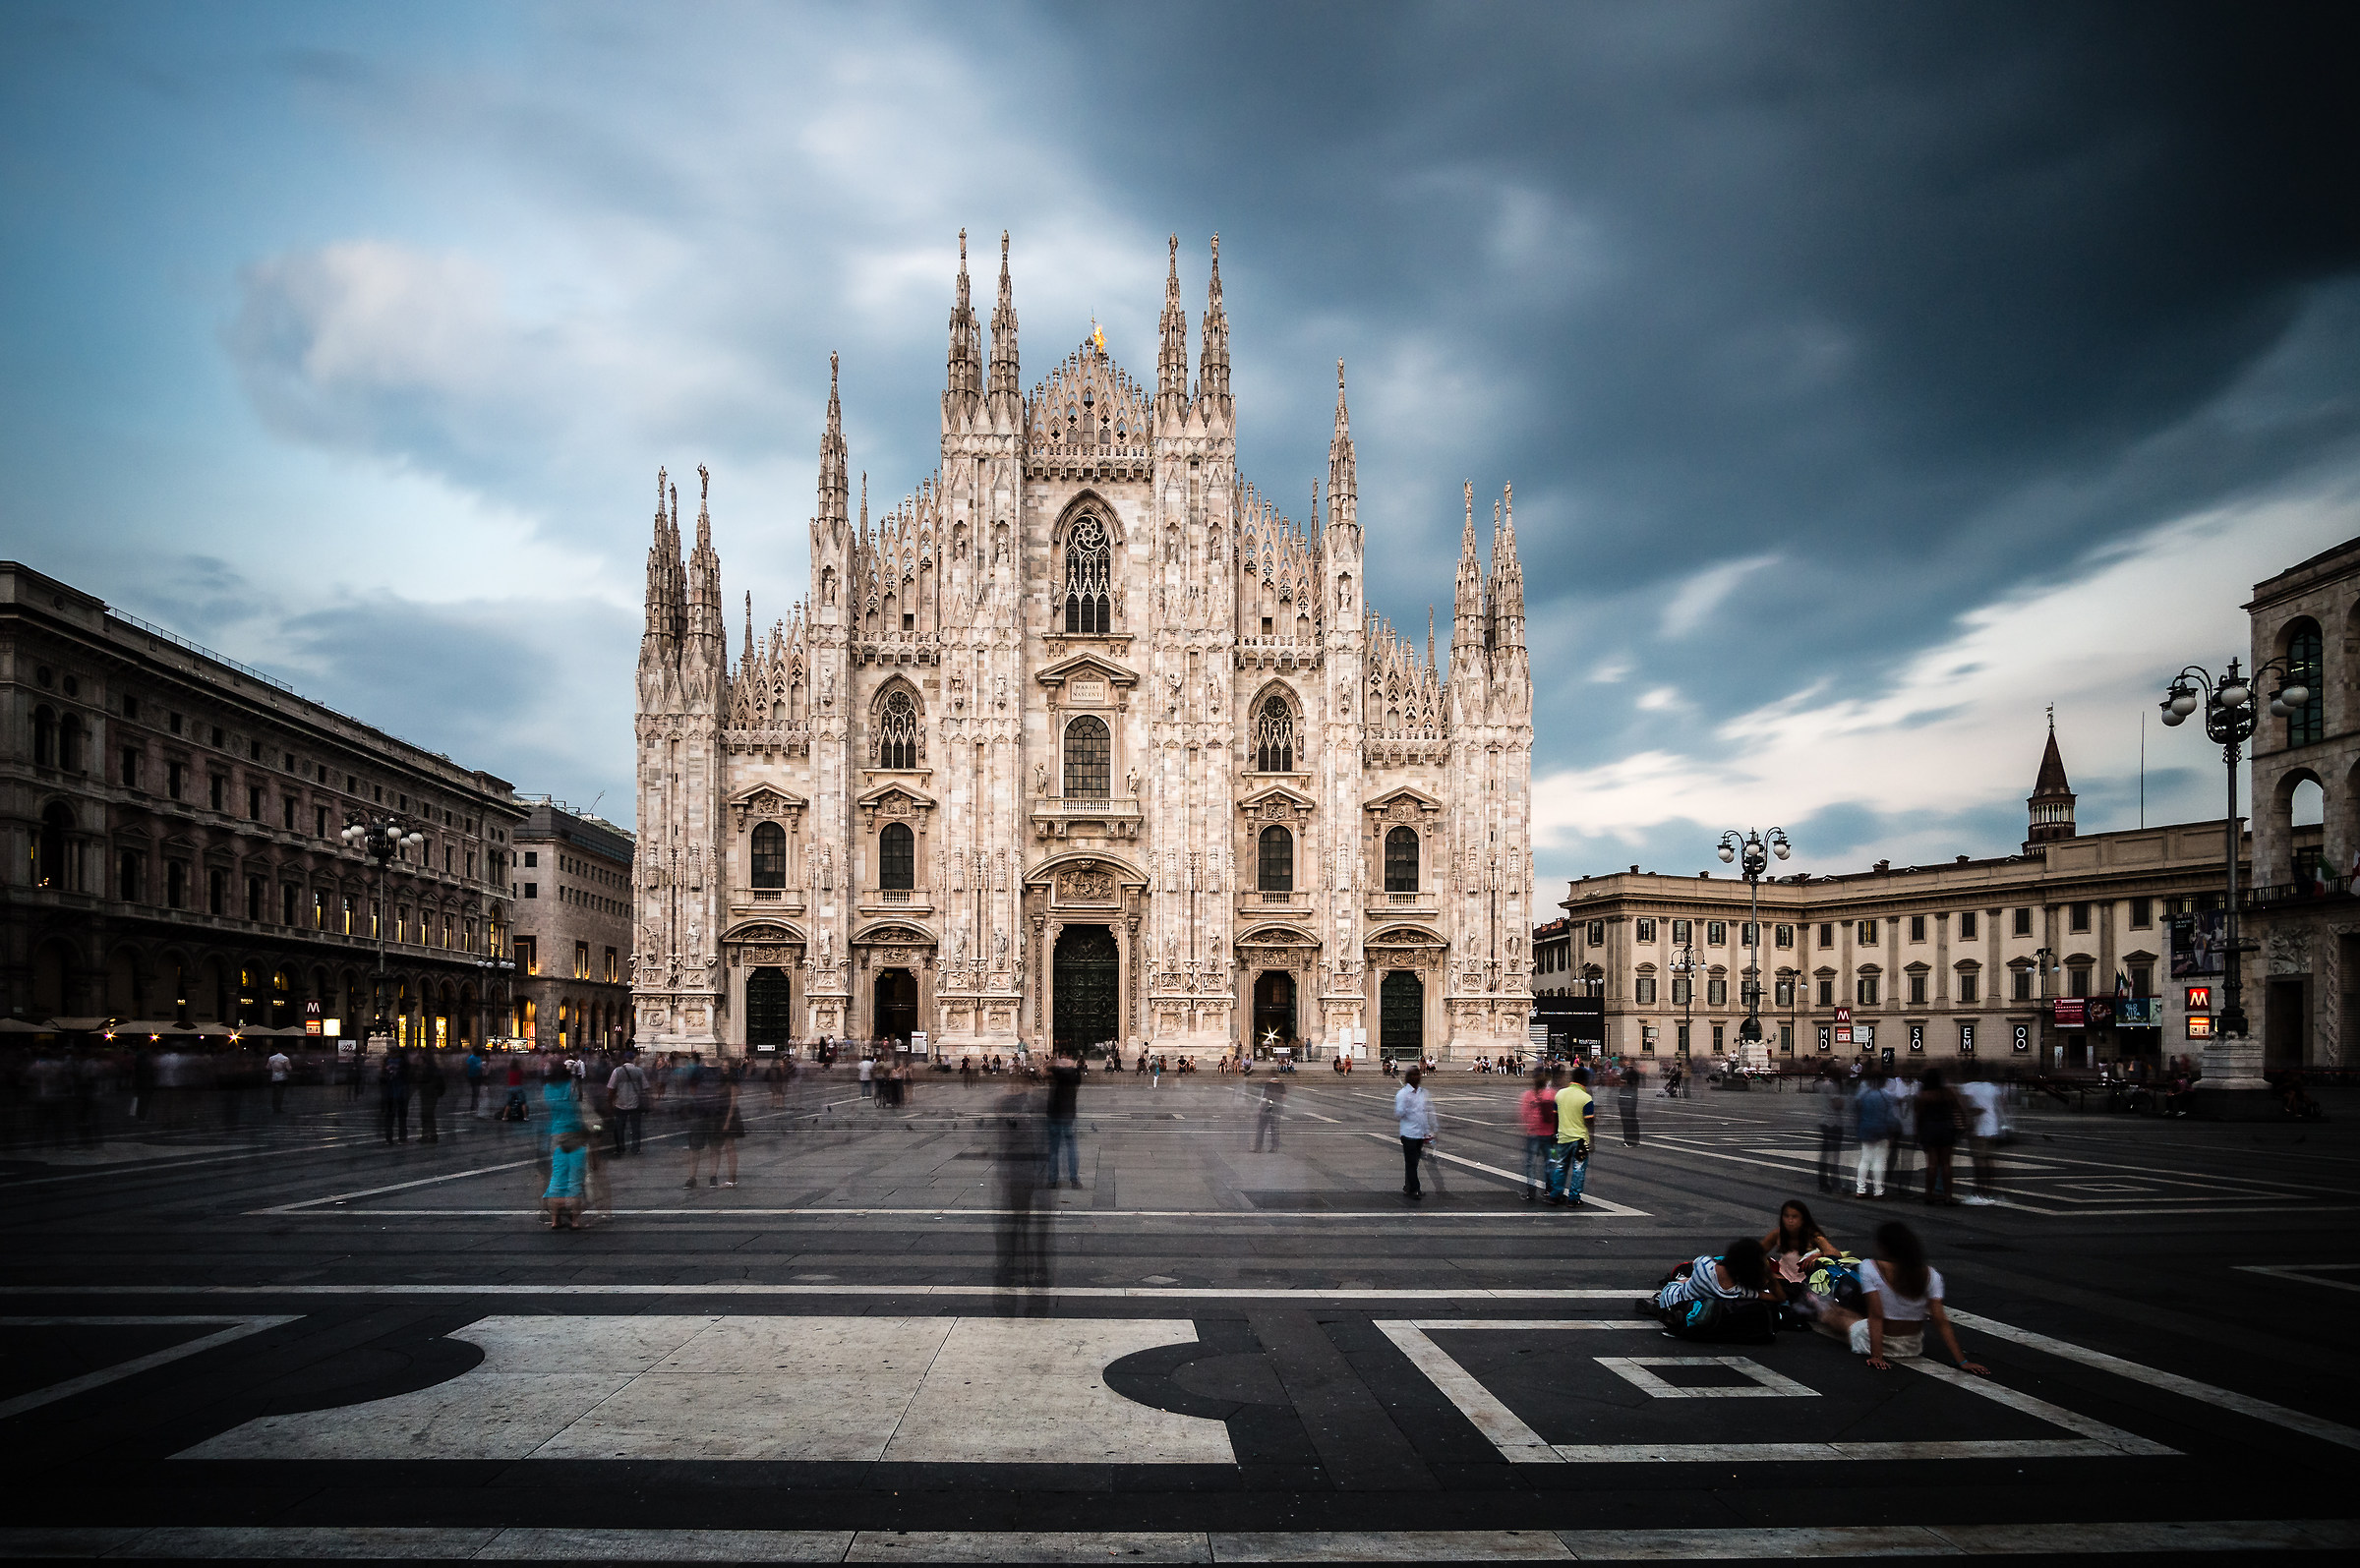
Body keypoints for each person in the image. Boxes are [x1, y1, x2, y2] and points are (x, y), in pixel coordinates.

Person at [1811, 1221, 1987, 1374]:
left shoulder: (1871, 1268)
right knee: (1851, 1316)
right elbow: (1940, 1320)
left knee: (1835, 1315)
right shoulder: (1930, 1274)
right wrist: (1962, 1361)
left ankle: (1816, 1305)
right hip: (1912, 1345)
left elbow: (1876, 1315)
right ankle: (1823, 1306)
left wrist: (1877, 1356)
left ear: (1884, 1247)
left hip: (1880, 1342)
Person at [1650, 1237, 1771, 1313]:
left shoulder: (1704, 1264)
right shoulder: (1743, 1291)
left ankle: (1676, 1282)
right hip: (1695, 1305)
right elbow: (1778, 1297)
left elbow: (1695, 1264)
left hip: (1671, 1296)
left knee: (1689, 1279)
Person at [1761, 1198, 1839, 1306]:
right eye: (1786, 1216)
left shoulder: (1813, 1235)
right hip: (1783, 1275)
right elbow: (1755, 1251)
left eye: (1794, 1217)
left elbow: (1835, 1254)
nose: (1790, 1221)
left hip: (1806, 1281)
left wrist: (1818, 1255)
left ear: (1803, 1219)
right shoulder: (1778, 1234)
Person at [1550, 1066, 1597, 1206]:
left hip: (1562, 1137)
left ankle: (1555, 1195)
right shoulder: (1586, 1097)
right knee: (1578, 1169)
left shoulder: (1559, 1094)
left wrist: (1554, 1134)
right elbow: (1589, 1121)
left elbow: (1555, 1117)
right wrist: (1592, 1141)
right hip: (1580, 1139)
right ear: (1584, 1080)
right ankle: (1574, 1197)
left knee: (1559, 1166)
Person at [1956, 1068, 2004, 1204]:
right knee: (1989, 1161)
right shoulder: (1991, 1087)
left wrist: (1967, 1121)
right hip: (1992, 1127)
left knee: (1979, 1163)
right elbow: (2001, 1105)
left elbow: (1966, 1108)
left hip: (1979, 1129)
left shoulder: (1968, 1087)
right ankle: (1988, 1190)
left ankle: (1979, 1192)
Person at [1915, 1068, 1962, 1205]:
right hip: (1946, 1128)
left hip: (1929, 1129)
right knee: (1946, 1164)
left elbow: (1918, 1116)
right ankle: (1948, 1196)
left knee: (1932, 1164)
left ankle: (1929, 1195)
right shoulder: (1948, 1093)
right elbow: (1957, 1109)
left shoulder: (1923, 1095)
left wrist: (1917, 1133)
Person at [1394, 1065, 1438, 1199]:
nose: (1416, 1077)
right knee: (1411, 1163)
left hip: (1419, 1133)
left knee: (1413, 1163)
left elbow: (1425, 1113)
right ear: (1407, 1078)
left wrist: (1429, 1130)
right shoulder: (1402, 1094)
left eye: (1417, 1074)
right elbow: (1399, 1113)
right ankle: (1415, 1189)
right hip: (1408, 1134)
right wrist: (1405, 1106)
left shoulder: (1423, 1093)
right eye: (1413, 1075)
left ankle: (1408, 1186)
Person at [1854, 1069, 1897, 1198]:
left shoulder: (1864, 1094)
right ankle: (1878, 1190)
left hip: (1865, 1128)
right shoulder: (1886, 1095)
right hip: (1881, 1129)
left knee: (1865, 1159)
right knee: (1879, 1160)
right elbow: (1890, 1116)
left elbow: (1857, 1109)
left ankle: (1860, 1189)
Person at [1517, 1068, 1556, 1201]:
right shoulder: (1552, 1094)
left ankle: (1531, 1190)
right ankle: (1549, 1189)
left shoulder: (1528, 1095)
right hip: (1549, 1134)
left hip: (1533, 1133)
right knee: (1550, 1161)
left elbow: (1524, 1114)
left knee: (1530, 1162)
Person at [1045, 1048, 1083, 1187]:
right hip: (1069, 1115)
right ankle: (1073, 1179)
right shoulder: (1076, 1074)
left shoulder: (1058, 1073)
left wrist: (1056, 1063)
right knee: (1071, 1148)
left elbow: (1047, 1070)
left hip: (1056, 1114)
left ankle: (1052, 1179)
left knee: (1054, 1149)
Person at [545, 1129, 588, 1229]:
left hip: (556, 1187)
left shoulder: (558, 1150)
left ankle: (555, 1221)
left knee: (556, 1186)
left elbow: (556, 1167)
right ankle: (575, 1222)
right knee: (575, 1188)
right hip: (574, 1185)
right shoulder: (581, 1150)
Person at [607, 1051, 647, 1157]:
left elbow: (611, 1088)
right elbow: (645, 1087)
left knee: (619, 1127)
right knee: (636, 1127)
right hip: (635, 1103)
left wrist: (610, 1102)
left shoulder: (617, 1071)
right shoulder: (639, 1071)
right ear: (633, 1059)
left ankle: (620, 1148)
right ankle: (636, 1148)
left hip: (620, 1103)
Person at [380, 1048, 412, 1144]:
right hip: (399, 1092)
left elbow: (382, 1078)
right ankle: (401, 1138)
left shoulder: (388, 1062)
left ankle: (390, 1138)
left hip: (393, 1092)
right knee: (400, 1117)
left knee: (391, 1117)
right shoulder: (404, 1062)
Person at [413, 1049, 445, 1144]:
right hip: (427, 1093)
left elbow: (426, 1080)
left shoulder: (428, 1069)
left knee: (427, 1115)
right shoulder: (428, 1068)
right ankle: (429, 1134)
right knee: (426, 1115)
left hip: (430, 1094)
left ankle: (429, 1135)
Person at [1252, 1074, 1285, 1152]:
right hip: (1277, 1108)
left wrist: (1260, 1109)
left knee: (1261, 1128)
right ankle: (1274, 1147)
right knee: (1275, 1129)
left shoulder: (1268, 1085)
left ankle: (1258, 1148)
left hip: (1267, 1109)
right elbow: (1284, 1097)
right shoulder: (1281, 1085)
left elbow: (1264, 1097)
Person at [1617, 1062, 1643, 1146]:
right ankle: (1635, 1140)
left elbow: (1622, 1084)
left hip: (1626, 1098)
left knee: (1627, 1120)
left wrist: (1618, 1080)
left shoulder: (1627, 1073)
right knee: (1632, 1119)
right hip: (1632, 1098)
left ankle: (1629, 1140)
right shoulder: (1635, 1073)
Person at [266, 1049, 291, 1115]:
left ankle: (274, 1108)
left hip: (274, 1078)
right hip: (282, 1077)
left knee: (275, 1093)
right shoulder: (285, 1058)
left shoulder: (271, 1058)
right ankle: (278, 1108)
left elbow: (267, 1067)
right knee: (281, 1093)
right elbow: (289, 1068)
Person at [464, 1048, 486, 1114]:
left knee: (476, 1091)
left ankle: (474, 1104)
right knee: (476, 1091)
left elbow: (467, 1065)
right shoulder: (476, 1058)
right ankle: (474, 1104)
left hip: (474, 1075)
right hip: (474, 1075)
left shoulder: (472, 1058)